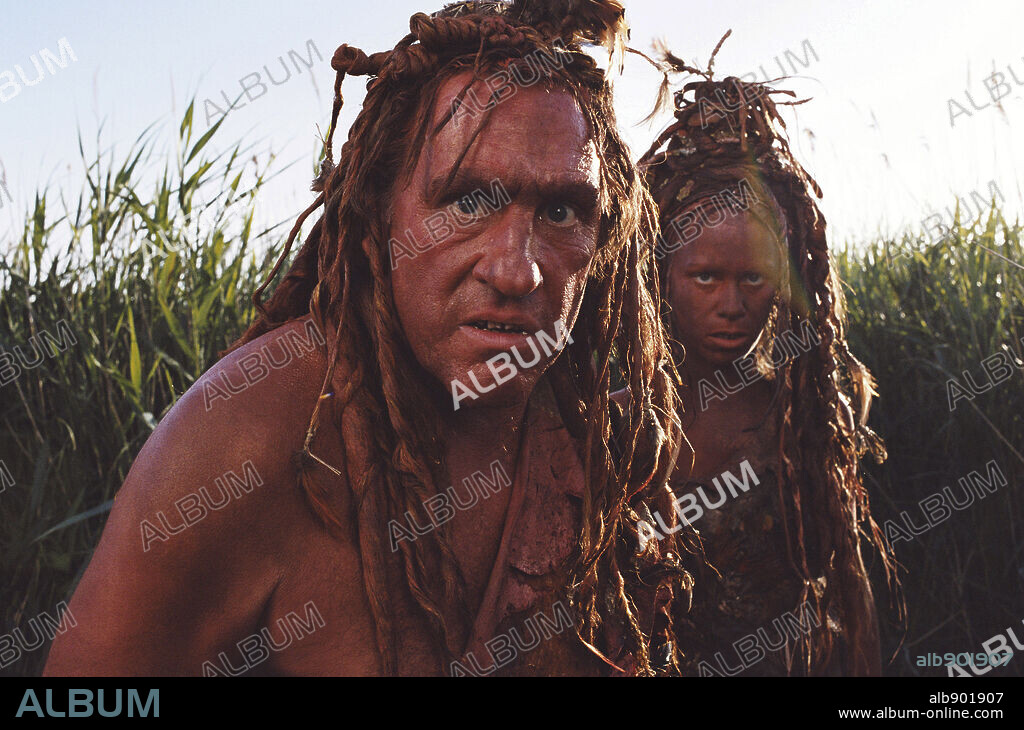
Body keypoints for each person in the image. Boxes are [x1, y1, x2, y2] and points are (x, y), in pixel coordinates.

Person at [44, 1, 690, 677]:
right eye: (469, 202)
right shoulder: (250, 437)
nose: (517, 269)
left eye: (561, 211)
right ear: (379, 210)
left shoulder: (608, 442)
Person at [635, 42, 895, 676]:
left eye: (753, 278)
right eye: (705, 278)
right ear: (661, 276)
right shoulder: (621, 428)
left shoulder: (806, 417)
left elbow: (843, 601)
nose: (731, 305)